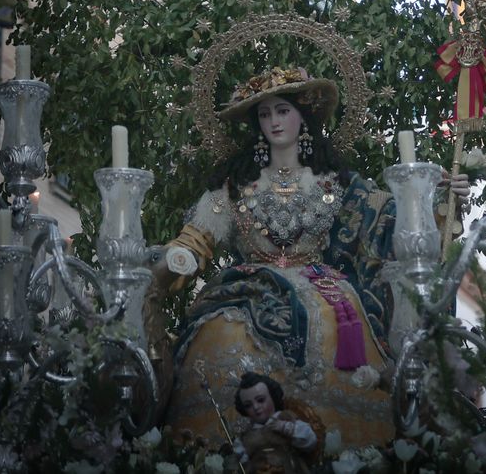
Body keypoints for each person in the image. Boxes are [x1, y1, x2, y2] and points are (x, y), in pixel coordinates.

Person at [156, 66, 468, 449]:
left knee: (332, 330)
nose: (273, 121)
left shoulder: (337, 185)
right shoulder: (234, 188)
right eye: (265, 114)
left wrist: (431, 200)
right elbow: (196, 238)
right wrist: (172, 263)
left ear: (304, 116)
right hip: (246, 290)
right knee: (224, 330)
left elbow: (390, 224)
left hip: (327, 292)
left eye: (282, 110)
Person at [231, 372, 323, 474]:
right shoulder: (247, 435)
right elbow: (242, 461)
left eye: (261, 400)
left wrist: (286, 428)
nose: (256, 407)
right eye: (248, 405)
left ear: (273, 396)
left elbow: (310, 440)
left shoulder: (286, 419)